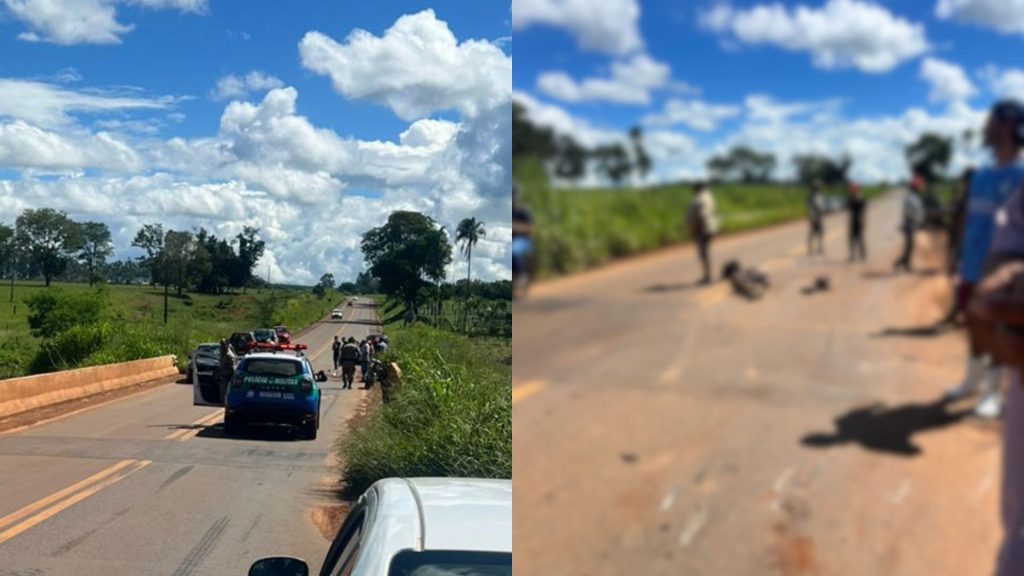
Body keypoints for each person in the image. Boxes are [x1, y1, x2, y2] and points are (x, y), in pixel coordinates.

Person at [944, 100, 1024, 419]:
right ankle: (971, 382)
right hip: (972, 265)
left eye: (989, 121)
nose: (983, 128)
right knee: (973, 324)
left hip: (1003, 272)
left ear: (1007, 125)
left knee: (997, 328)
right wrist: (956, 257)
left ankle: (993, 392)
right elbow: (965, 217)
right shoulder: (979, 176)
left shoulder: (1022, 175)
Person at [687, 182, 719, 284]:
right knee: (705, 253)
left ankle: (707, 277)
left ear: (697, 189)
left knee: (703, 253)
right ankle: (708, 275)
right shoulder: (709, 197)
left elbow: (701, 215)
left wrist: (696, 229)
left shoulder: (699, 199)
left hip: (702, 229)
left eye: (694, 189)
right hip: (709, 227)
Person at [893, 176, 925, 273]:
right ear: (915, 187)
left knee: (910, 246)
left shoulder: (915, 197)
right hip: (909, 225)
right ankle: (901, 263)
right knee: (910, 246)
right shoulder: (910, 198)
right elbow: (908, 213)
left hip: (912, 225)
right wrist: (914, 220)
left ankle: (904, 264)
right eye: (919, 187)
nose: (920, 188)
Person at [512, 182, 534, 299]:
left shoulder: (523, 212)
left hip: (523, 241)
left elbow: (529, 229)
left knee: (514, 251)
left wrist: (514, 228)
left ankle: (521, 277)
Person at [847, 182, 867, 262]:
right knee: (854, 239)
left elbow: (862, 211)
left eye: (852, 189)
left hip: (857, 220)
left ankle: (861, 254)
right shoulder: (853, 198)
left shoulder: (859, 198)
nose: (851, 190)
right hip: (854, 220)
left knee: (858, 238)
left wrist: (863, 221)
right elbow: (848, 207)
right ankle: (854, 255)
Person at [807, 181, 825, 256]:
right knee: (812, 233)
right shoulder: (811, 197)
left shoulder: (820, 196)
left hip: (819, 216)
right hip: (814, 217)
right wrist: (813, 217)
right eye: (816, 187)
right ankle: (810, 248)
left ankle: (820, 247)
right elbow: (809, 208)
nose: (817, 188)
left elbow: (822, 206)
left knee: (820, 233)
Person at [217, 338, 236, 405]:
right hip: (223, 377)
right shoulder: (223, 354)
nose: (222, 346)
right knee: (222, 393)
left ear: (227, 345)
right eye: (221, 344)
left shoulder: (229, 356)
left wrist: (225, 374)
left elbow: (232, 369)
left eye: (224, 344)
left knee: (226, 394)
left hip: (227, 378)